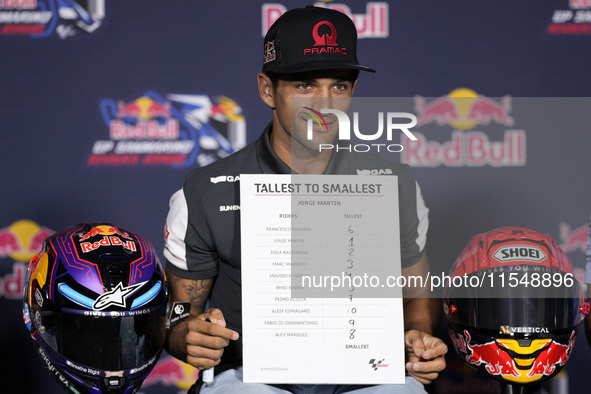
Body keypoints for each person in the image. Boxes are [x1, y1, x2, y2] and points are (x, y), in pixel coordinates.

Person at [163, 6, 447, 393]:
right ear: (267, 89)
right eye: (305, 85)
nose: (324, 103)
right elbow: (179, 317)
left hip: (366, 378)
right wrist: (187, 336)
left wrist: (419, 336)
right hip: (253, 379)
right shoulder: (205, 191)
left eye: (340, 86)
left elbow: (416, 293)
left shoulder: (393, 183)